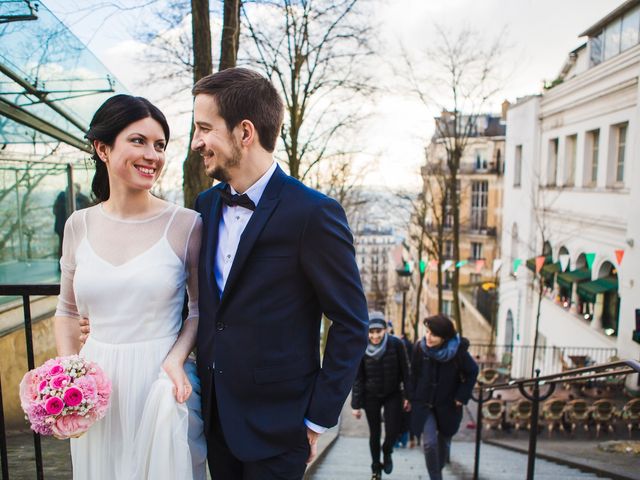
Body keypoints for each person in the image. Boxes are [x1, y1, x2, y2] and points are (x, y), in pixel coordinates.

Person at [191, 67, 369, 480]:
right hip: (214, 420)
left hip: (279, 429)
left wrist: (316, 419)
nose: (197, 142)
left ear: (245, 132)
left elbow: (350, 322)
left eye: (205, 128)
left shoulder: (314, 213)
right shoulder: (204, 205)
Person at [54, 94, 206, 479]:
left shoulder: (186, 224)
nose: (152, 155)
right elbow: (67, 310)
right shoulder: (78, 225)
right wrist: (69, 372)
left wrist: (175, 360)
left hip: (160, 382)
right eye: (138, 141)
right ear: (102, 148)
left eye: (159, 145)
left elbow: (198, 310)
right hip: (94, 386)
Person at [408, 314, 478, 480]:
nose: (428, 337)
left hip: (448, 405)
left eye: (433, 334)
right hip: (425, 405)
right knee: (429, 444)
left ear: (445, 337)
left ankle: (436, 472)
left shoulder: (458, 352)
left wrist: (461, 396)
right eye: (427, 332)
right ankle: (436, 477)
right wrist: (410, 396)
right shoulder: (420, 347)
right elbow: (413, 373)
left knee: (443, 444)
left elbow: (472, 371)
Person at [351, 312, 411, 480]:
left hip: (393, 393)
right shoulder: (361, 347)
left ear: (385, 330)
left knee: (392, 431)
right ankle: (375, 468)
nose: (375, 336)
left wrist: (408, 396)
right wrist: (355, 405)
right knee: (374, 433)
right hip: (371, 395)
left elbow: (406, 372)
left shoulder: (396, 344)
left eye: (378, 331)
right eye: (371, 332)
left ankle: (387, 450)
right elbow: (358, 378)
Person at [53, 183, 91, 259]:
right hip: (67, 227)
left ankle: (64, 265)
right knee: (69, 246)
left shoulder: (61, 198)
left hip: (64, 227)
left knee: (64, 246)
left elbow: (55, 211)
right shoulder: (82, 199)